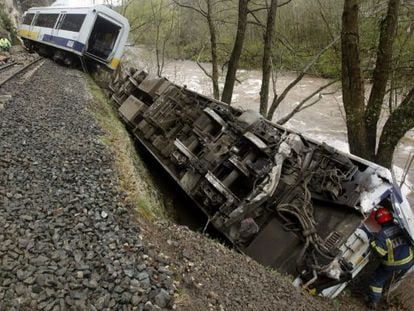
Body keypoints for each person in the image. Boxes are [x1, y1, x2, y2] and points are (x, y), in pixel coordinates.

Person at [364, 207, 414, 309]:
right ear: (391, 217)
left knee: (376, 281)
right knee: (396, 277)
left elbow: (380, 252)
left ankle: (374, 301)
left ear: (378, 221)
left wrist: (373, 242)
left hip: (393, 264)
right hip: (409, 261)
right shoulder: (400, 227)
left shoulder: (382, 234)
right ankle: (388, 291)